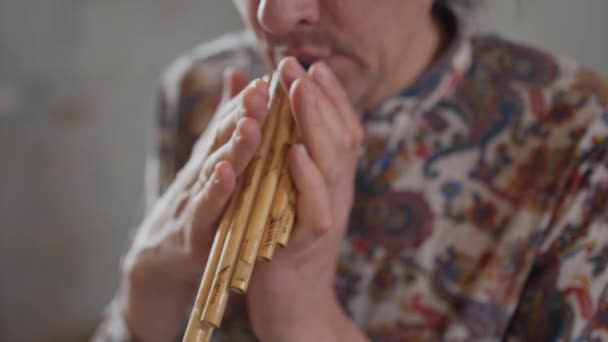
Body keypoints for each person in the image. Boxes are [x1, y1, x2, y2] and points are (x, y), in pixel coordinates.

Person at [94, 0, 608, 341]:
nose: (275, 14)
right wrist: (151, 272)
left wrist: (302, 313)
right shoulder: (199, 88)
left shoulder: (581, 136)